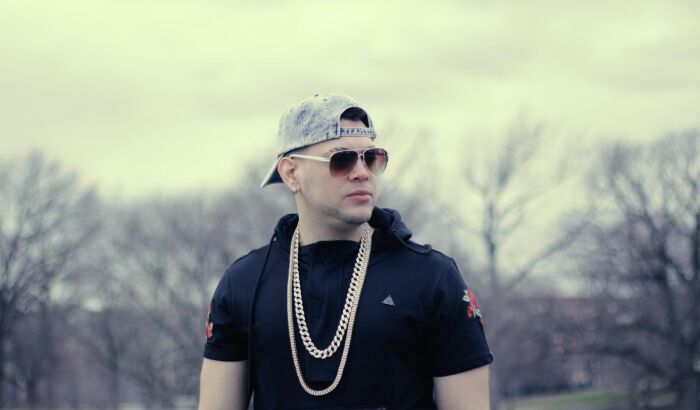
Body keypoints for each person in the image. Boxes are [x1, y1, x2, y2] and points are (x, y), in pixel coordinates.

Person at [198, 93, 493, 410]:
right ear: (291, 173)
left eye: (372, 158)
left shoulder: (432, 277)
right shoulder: (243, 283)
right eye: (342, 160)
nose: (362, 172)